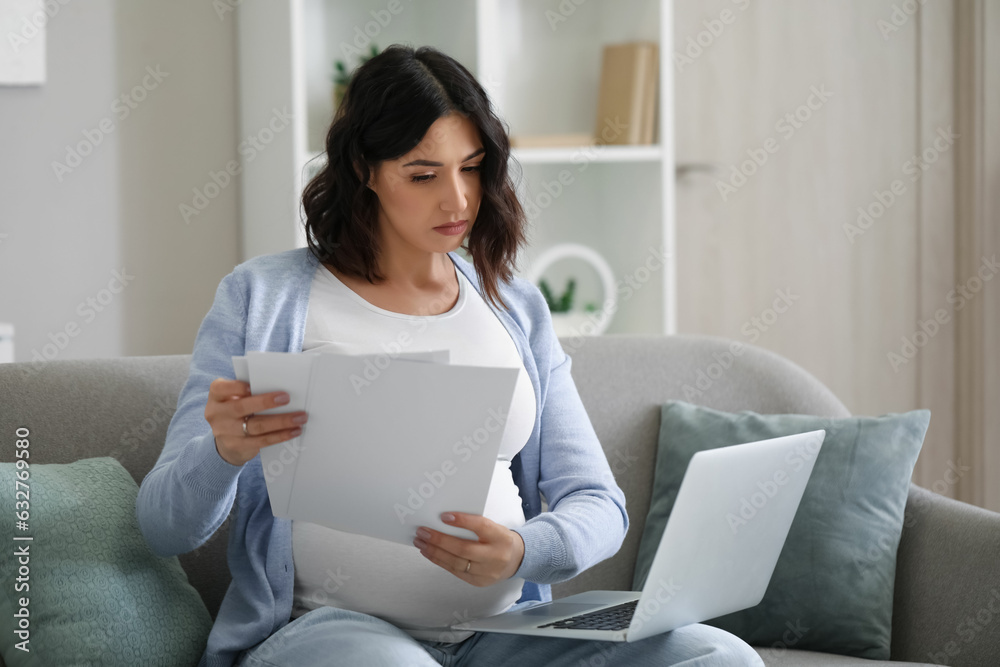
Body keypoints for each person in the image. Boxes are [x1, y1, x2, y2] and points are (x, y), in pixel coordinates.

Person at [136, 44, 763, 667]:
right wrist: (222, 454)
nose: (459, 201)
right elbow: (164, 525)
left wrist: (524, 550)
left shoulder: (514, 305)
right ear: (363, 168)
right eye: (423, 174)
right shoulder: (262, 297)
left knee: (716, 656)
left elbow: (598, 502)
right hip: (331, 634)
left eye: (472, 167)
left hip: (508, 636)